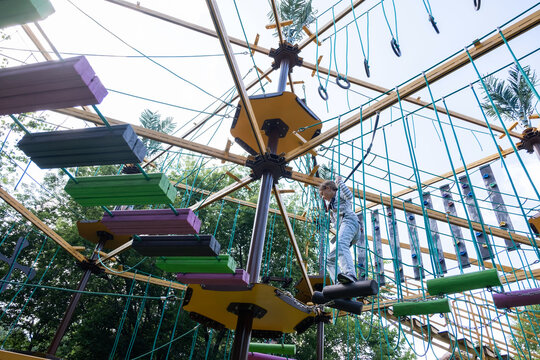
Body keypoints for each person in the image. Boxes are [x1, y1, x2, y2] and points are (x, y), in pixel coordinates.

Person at [319, 176, 360, 284]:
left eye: (323, 194)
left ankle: (350, 273)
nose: (323, 197)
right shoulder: (333, 204)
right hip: (345, 226)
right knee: (329, 260)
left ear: (328, 188)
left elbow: (349, 196)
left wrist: (340, 182)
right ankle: (339, 282)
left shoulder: (339, 193)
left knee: (341, 245)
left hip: (350, 221)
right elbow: (335, 222)